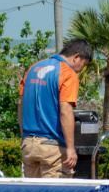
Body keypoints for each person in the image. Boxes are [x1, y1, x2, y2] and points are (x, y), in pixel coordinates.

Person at [19, 39, 93, 178]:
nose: (81, 69)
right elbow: (65, 110)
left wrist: (24, 136)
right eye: (83, 65)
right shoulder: (68, 73)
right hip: (52, 148)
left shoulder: (33, 68)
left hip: (29, 146)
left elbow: (21, 104)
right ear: (77, 57)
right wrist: (71, 148)